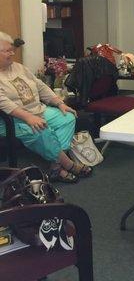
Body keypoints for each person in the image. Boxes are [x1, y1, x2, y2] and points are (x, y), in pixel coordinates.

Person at [0, 31, 92, 183]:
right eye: (7, 51)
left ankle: (56, 166)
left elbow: (40, 86)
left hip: (37, 111)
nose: (12, 53)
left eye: (12, 50)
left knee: (67, 117)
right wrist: (29, 117)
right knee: (42, 129)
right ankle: (68, 165)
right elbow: (3, 103)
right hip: (11, 120)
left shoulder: (18, 67)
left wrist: (59, 103)